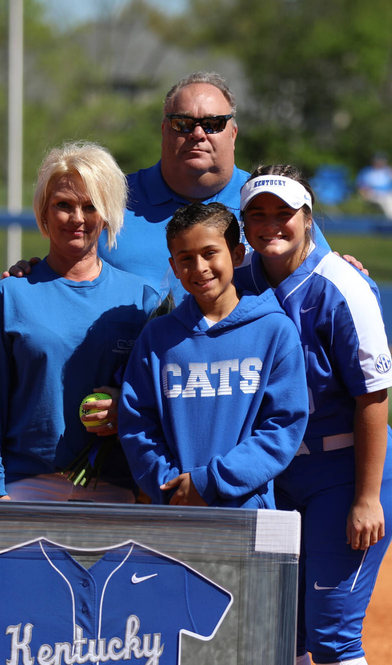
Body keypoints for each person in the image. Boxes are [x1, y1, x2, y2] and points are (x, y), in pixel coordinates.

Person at [236, 166, 392, 665]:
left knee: (333, 629)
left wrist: (365, 497)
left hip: (343, 473)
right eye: (260, 217)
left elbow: (373, 399)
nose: (273, 228)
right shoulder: (242, 282)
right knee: (287, 635)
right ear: (245, 226)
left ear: (308, 218)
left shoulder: (340, 285)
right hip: (279, 477)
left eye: (285, 215)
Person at [7, 72, 336, 297]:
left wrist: (345, 269)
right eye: (182, 123)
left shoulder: (269, 203)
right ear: (164, 130)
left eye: (213, 124)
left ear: (233, 133)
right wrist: (34, 274)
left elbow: (326, 285)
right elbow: (68, 269)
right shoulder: (109, 199)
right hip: (131, 389)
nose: (197, 134)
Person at [0, 141, 161, 503]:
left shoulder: (141, 299)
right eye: (63, 205)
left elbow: (159, 399)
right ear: (44, 211)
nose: (77, 218)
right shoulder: (12, 295)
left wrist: (126, 404)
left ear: (107, 213)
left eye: (90, 206)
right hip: (28, 485)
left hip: (116, 487)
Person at [118, 202, 307, 509]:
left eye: (209, 253)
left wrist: (209, 482)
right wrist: (171, 486)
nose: (200, 267)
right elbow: (138, 423)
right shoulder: (157, 337)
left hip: (247, 513)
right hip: (175, 509)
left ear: (236, 254)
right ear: (174, 267)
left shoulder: (275, 331)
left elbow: (283, 426)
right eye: (186, 259)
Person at [355, 153, 392, 221]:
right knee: (387, 199)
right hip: (373, 194)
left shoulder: (388, 170)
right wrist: (364, 193)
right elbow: (361, 185)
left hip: (388, 193)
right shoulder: (367, 171)